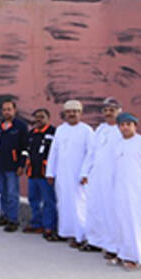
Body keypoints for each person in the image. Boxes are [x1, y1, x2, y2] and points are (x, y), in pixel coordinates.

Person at [109, 113, 141, 270]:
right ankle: (122, 253)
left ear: (135, 126)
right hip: (120, 190)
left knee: (136, 223)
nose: (125, 127)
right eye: (122, 125)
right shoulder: (117, 144)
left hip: (138, 191)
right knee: (120, 222)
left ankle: (136, 257)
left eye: (128, 124)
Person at [46, 100, 96, 248]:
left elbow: (91, 154)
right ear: (65, 114)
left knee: (78, 205)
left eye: (75, 111)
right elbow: (54, 152)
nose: (72, 114)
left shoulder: (87, 130)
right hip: (62, 174)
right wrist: (50, 172)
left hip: (79, 176)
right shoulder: (60, 130)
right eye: (69, 112)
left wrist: (85, 173)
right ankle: (65, 233)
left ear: (80, 113)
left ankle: (80, 236)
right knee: (63, 203)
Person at [80, 98, 122, 256]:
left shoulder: (122, 130)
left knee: (112, 212)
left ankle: (114, 246)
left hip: (113, 178)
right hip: (96, 176)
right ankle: (94, 241)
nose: (108, 112)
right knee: (94, 209)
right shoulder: (100, 129)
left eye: (112, 109)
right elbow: (91, 153)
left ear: (119, 110)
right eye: (106, 110)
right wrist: (85, 172)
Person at [0, 99, 29, 232]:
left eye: (9, 109)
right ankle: (4, 216)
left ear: (14, 110)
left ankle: (13, 220)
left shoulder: (20, 126)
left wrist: (21, 165)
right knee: (2, 192)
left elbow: (24, 148)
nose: (6, 112)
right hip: (0, 165)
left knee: (12, 194)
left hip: (13, 166)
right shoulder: (0, 127)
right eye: (4, 110)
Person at [23, 108, 59, 240]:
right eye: (36, 117)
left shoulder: (54, 132)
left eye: (42, 117)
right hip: (33, 172)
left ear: (48, 118)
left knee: (49, 201)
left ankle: (49, 226)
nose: (39, 119)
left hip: (46, 174)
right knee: (33, 200)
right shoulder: (32, 133)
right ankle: (36, 224)